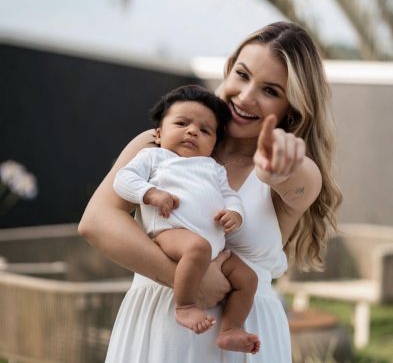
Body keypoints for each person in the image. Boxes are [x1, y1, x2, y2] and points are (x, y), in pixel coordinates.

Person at [79, 21, 342, 362]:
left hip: (244, 343)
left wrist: (275, 166)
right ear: (228, 69)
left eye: (271, 91)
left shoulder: (297, 171)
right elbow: (96, 222)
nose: (245, 97)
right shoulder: (158, 145)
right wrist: (186, 282)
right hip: (156, 334)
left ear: (291, 108)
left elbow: (296, 178)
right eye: (242, 74)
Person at [113, 85, 260, 353]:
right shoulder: (154, 156)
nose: (193, 131)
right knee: (197, 248)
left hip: (214, 251)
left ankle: (230, 329)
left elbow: (230, 196)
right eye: (182, 123)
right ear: (158, 133)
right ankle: (185, 306)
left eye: (205, 130)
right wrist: (150, 193)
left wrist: (234, 214)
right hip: (170, 233)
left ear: (214, 144)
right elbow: (122, 180)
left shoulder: (213, 168)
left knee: (248, 279)